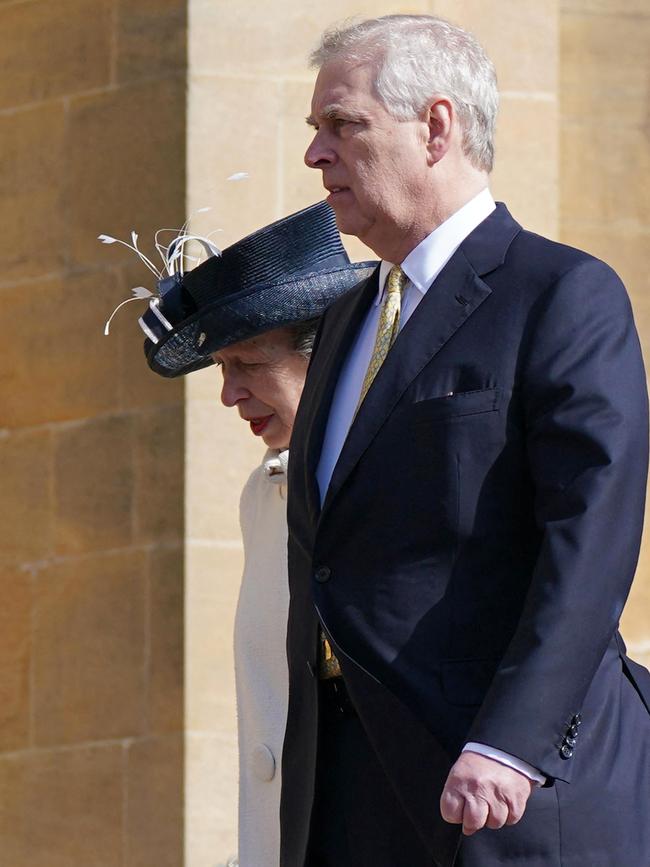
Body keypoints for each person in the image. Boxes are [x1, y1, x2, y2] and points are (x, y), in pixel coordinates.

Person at [280, 14, 650, 867]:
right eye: (314, 131)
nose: (315, 156)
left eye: (343, 125)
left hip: (502, 798)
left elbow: (590, 544)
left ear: (436, 127)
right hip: (349, 797)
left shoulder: (560, 294)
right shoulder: (344, 322)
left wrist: (510, 746)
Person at [111, 201, 374, 867]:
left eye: (248, 363)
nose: (228, 394)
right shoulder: (265, 494)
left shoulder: (395, 480)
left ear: (330, 353)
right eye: (221, 367)